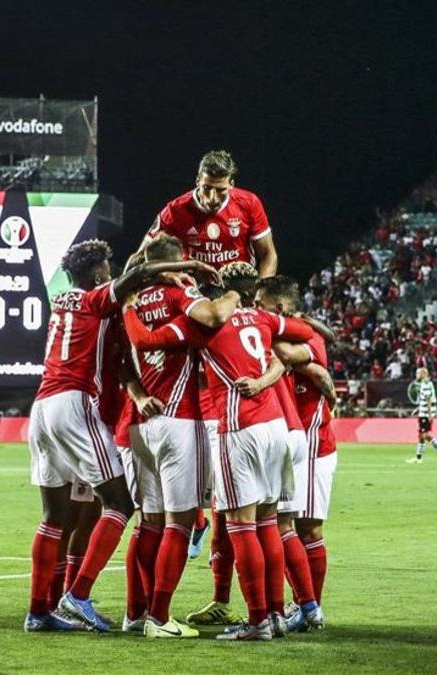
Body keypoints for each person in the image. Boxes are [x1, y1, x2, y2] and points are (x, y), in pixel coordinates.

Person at [23, 239, 217, 633]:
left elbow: (131, 276)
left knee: (54, 515)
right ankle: (77, 596)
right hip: (75, 403)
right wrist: (189, 265)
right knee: (120, 502)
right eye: (107, 270)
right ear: (97, 275)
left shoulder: (62, 301)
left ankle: (38, 611)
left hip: (41, 407)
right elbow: (137, 276)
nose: (112, 275)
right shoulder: (96, 299)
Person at [122, 261, 317, 641]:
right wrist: (272, 369)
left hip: (238, 428)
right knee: (269, 524)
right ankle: (276, 613)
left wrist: (129, 305)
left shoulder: (203, 325)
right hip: (276, 426)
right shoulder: (262, 318)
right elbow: (305, 331)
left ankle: (258, 621)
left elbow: (144, 341)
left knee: (240, 526)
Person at [121, 235, 241, 639]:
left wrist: (137, 393)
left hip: (140, 423)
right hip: (178, 419)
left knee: (147, 523)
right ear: (174, 268)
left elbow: (127, 358)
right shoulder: (177, 294)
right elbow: (210, 317)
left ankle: (135, 613)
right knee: (180, 521)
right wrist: (233, 295)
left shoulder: (130, 300)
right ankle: (159, 617)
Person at [255, 275, 336, 631]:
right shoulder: (288, 332)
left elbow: (290, 354)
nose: (256, 310)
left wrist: (307, 363)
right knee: (282, 524)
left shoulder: (309, 337)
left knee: (308, 528)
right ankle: (303, 606)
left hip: (313, 442)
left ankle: (309, 608)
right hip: (285, 440)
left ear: (281, 308)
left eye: (262, 304)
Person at [136, 150, 278, 277]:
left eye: (221, 190)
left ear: (231, 185)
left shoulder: (249, 203)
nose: (213, 198)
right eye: (207, 188)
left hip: (238, 287)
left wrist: (259, 293)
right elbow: (141, 257)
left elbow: (268, 254)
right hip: (194, 290)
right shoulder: (174, 211)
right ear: (198, 181)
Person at [406, 367, 437, 463]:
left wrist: (429, 415)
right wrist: (418, 409)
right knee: (421, 435)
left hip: (425, 414)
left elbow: (428, 399)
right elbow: (425, 399)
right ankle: (419, 458)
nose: (416, 375)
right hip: (423, 412)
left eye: (418, 373)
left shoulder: (425, 385)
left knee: (424, 435)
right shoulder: (428, 384)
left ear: (423, 374)